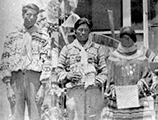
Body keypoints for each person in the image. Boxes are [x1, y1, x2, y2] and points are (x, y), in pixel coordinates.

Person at [0, 3, 51, 120]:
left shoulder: (43, 36)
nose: (31, 18)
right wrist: (8, 87)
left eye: (34, 15)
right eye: (28, 14)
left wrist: (43, 88)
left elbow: (47, 61)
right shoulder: (12, 35)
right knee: (16, 116)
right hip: (16, 78)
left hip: (34, 78)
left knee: (36, 115)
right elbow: (5, 60)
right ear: (23, 15)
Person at [56, 18, 108, 120]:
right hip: (74, 92)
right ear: (75, 31)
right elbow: (58, 70)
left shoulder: (97, 49)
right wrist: (68, 75)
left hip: (93, 92)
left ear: (89, 32)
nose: (83, 33)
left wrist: (97, 81)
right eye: (80, 30)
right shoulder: (67, 49)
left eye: (86, 30)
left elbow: (104, 71)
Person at [102, 26, 157, 120]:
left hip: (138, 99)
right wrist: (112, 88)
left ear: (133, 39)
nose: (125, 40)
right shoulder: (113, 58)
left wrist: (141, 83)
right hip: (119, 100)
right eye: (123, 38)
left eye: (128, 38)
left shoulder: (141, 57)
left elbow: (148, 76)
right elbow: (109, 77)